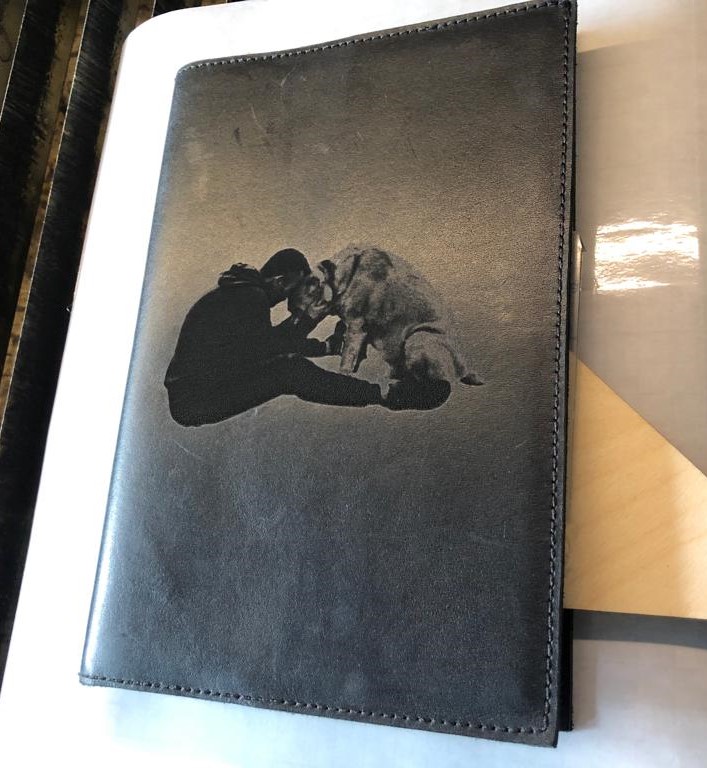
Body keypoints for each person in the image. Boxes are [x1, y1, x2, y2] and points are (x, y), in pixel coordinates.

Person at [164, 248, 384, 426]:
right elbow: (268, 349)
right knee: (290, 371)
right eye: (293, 289)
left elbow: (264, 344)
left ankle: (378, 393)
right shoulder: (252, 297)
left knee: (287, 367)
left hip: (192, 393)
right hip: (195, 399)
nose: (291, 297)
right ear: (280, 282)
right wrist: (306, 319)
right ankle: (381, 394)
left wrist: (324, 347)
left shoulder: (240, 292)